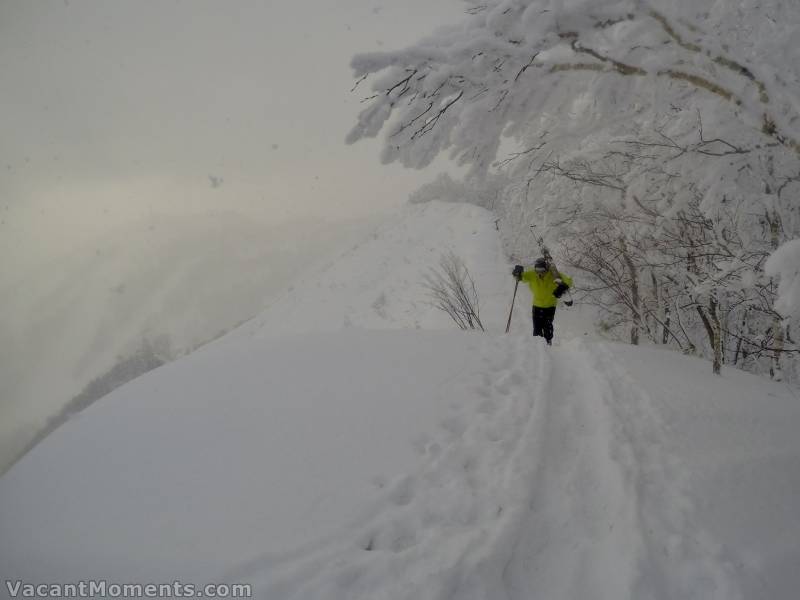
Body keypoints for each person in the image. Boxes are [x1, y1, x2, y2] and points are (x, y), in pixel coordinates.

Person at [512, 257, 573, 345]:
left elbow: (569, 280)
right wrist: (517, 273)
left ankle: (548, 344)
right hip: (537, 305)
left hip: (550, 306)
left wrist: (563, 286)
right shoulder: (532, 274)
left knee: (548, 327)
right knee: (537, 329)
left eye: (542, 270)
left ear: (547, 268)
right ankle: (538, 347)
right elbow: (522, 277)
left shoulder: (554, 274)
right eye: (537, 270)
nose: (540, 272)